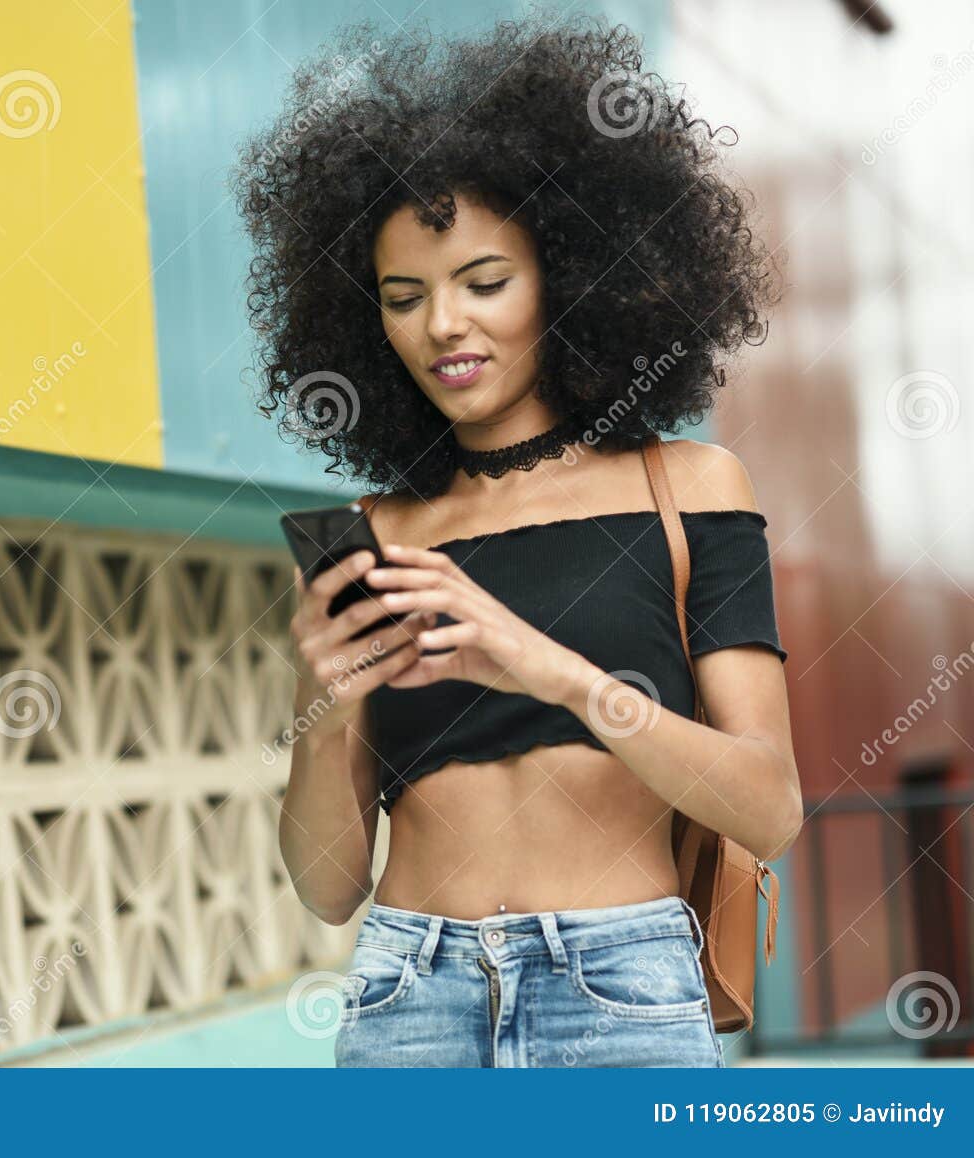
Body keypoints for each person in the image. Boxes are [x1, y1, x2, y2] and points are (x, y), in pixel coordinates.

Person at [230, 11, 801, 1067]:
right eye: (404, 299)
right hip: (408, 990)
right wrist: (325, 702)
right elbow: (325, 890)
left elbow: (767, 808)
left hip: (617, 987)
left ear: (573, 278)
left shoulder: (683, 489)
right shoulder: (379, 533)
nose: (443, 324)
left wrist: (547, 669)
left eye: (483, 283)